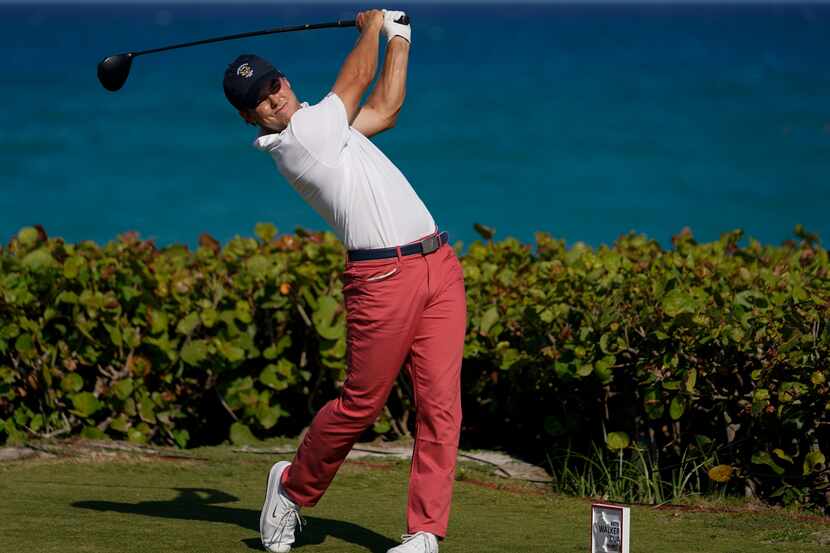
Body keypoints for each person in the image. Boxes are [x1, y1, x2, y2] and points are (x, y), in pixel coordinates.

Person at [221, 9, 466, 553]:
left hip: (438, 265)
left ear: (284, 80)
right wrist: (372, 27)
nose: (272, 99)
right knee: (361, 403)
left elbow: (384, 108)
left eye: (273, 84)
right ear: (249, 118)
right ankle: (289, 488)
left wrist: (399, 40)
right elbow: (355, 82)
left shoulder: (325, 124)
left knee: (441, 405)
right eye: (258, 100)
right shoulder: (299, 141)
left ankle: (425, 532)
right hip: (382, 276)